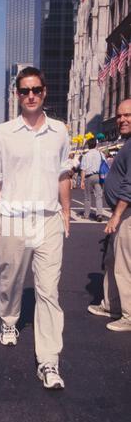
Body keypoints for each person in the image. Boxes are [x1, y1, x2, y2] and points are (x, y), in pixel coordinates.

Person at [0, 66, 71, 389]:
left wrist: (66, 213)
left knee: (49, 291)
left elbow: (64, 175)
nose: (31, 96)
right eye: (25, 91)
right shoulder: (3, 133)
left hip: (48, 218)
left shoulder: (60, 131)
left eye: (36, 90)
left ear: (45, 92)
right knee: (10, 278)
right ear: (17, 95)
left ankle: (49, 361)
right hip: (13, 217)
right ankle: (9, 320)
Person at [87, 99, 131, 332]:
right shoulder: (127, 143)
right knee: (112, 260)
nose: (122, 119)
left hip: (127, 214)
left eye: (128, 115)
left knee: (125, 265)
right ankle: (111, 305)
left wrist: (116, 216)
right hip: (121, 212)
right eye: (119, 116)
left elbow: (130, 185)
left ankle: (128, 314)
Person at [80, 137, 103, 221]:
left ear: (88, 145)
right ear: (96, 144)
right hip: (98, 176)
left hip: (88, 176)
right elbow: (104, 164)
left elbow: (83, 169)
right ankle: (99, 214)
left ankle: (86, 214)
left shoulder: (86, 155)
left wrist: (82, 181)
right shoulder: (100, 154)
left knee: (87, 197)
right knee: (99, 196)